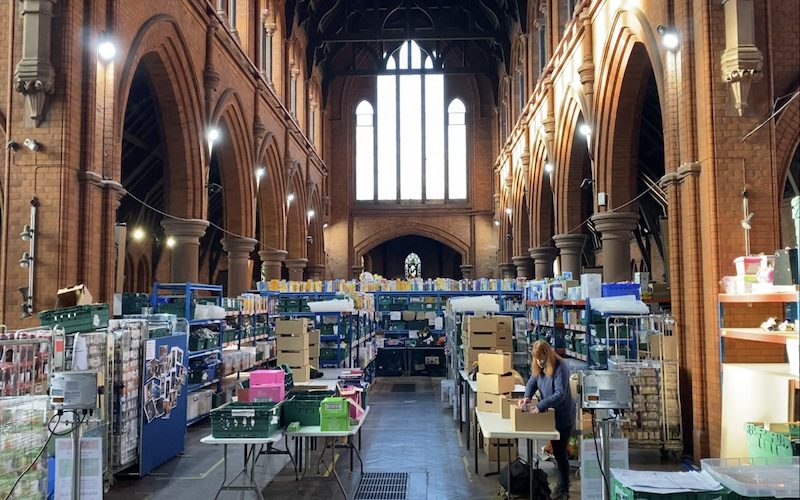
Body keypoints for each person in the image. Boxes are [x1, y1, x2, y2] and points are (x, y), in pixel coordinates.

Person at [517, 340, 576, 499]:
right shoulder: (539, 367)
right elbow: (532, 381)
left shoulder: (560, 367)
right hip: (550, 416)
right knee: (556, 450)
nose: (539, 361)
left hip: (563, 416)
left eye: (542, 357)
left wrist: (541, 405)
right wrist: (527, 397)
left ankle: (564, 489)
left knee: (560, 452)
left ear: (547, 354)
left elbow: (560, 394)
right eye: (536, 358)